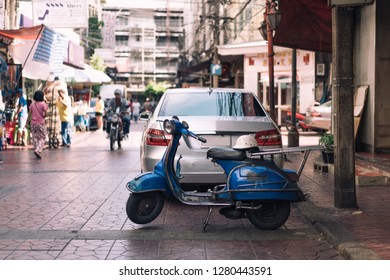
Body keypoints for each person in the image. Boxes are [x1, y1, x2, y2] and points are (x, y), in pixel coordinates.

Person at [29, 90, 49, 159]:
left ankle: (36, 148)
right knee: (42, 137)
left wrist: (27, 122)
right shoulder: (43, 104)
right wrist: (43, 116)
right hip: (41, 123)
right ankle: (37, 150)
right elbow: (46, 114)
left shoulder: (32, 104)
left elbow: (29, 114)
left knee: (35, 137)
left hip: (33, 123)